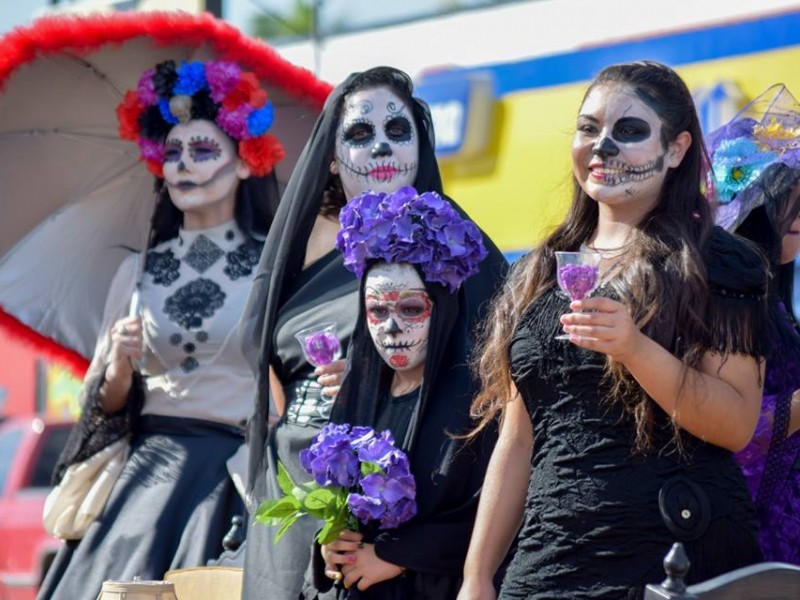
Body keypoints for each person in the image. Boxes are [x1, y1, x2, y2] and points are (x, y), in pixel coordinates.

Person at [457, 61, 768, 600]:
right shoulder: (537, 271)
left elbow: (736, 422)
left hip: (673, 555)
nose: (602, 146)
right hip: (551, 561)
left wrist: (635, 348)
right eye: (588, 128)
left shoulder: (717, 260)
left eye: (629, 130)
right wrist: (477, 576)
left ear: (675, 150)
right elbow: (518, 434)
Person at [239, 66, 508, 599]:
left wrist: (376, 388)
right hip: (296, 500)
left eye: (398, 131)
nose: (382, 147)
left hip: (394, 520)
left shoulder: (456, 250)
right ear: (333, 159)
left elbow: (482, 396)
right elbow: (268, 366)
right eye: (361, 134)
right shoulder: (310, 250)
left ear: (420, 146)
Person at [38, 59, 284, 599]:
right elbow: (104, 401)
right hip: (146, 476)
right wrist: (120, 362)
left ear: (245, 162)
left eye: (202, 152)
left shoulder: (274, 267)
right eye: (172, 153)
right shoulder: (137, 270)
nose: (182, 167)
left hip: (234, 476)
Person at [300, 187, 495, 599]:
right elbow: (341, 512)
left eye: (410, 309)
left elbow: (494, 517)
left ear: (441, 308)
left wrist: (399, 554)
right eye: (377, 311)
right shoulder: (358, 398)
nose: (391, 328)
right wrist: (331, 545)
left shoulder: (478, 405)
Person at [706, 84, 800, 563]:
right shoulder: (727, 301)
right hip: (745, 541)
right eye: (792, 199)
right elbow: (727, 428)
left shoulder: (778, 304)